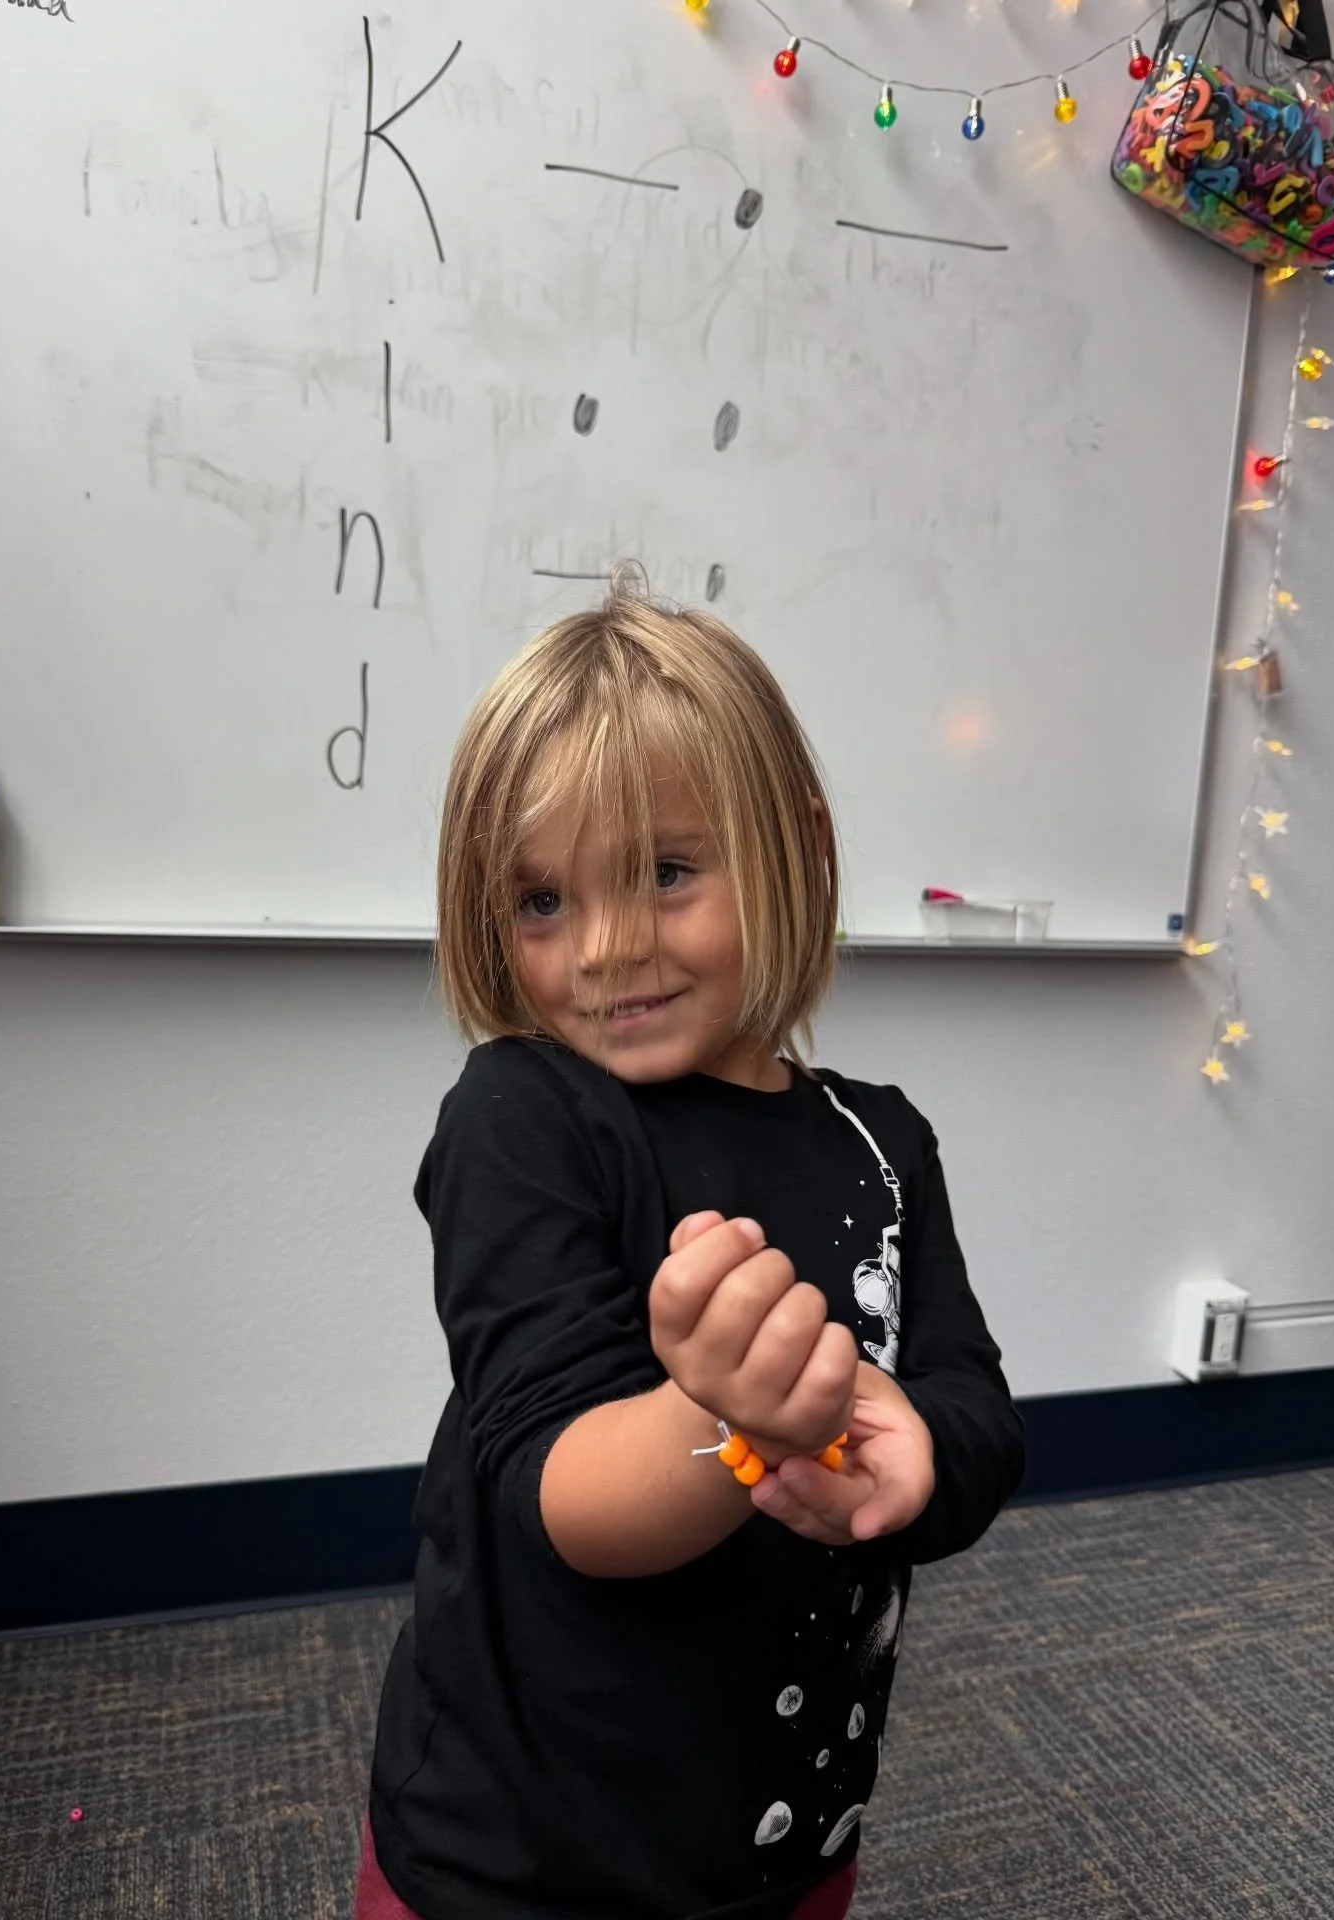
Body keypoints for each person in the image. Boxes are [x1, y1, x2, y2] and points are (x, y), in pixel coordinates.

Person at [357, 579, 1025, 1920]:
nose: (606, 949)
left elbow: (972, 1416)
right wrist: (740, 1425)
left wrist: (919, 1459)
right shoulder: (523, 1118)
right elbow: (568, 1497)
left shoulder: (884, 1142)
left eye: (665, 874)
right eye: (541, 902)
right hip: (521, 1854)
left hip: (785, 1835)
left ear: (801, 850)